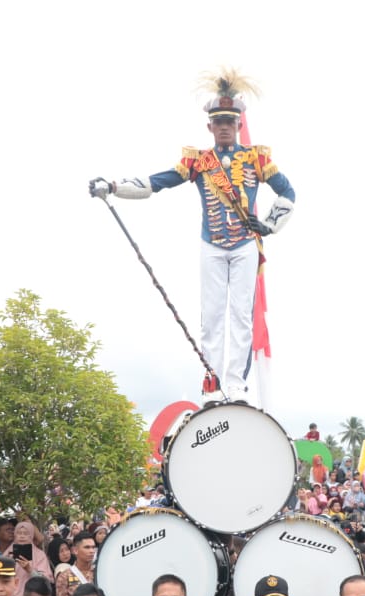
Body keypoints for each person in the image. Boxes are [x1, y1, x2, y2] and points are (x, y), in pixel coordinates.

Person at [89, 68, 296, 401]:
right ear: (210, 127)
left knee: (241, 315)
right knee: (212, 315)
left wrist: (270, 225)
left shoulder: (256, 158)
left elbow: (288, 192)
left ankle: (235, 385)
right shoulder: (199, 162)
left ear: (239, 125)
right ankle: (214, 383)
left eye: (230, 121)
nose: (225, 127)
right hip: (211, 244)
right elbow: (158, 181)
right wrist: (113, 187)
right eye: (219, 122)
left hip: (244, 245)